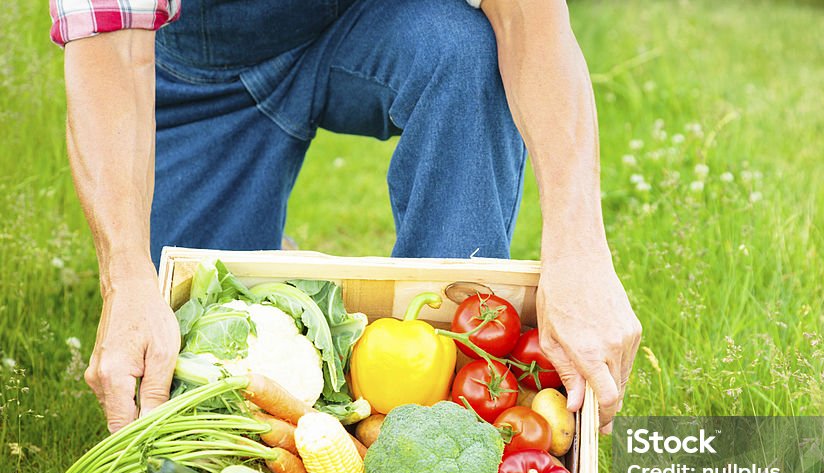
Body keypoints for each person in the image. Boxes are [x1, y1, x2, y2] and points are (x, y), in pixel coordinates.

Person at [52, 0, 641, 435]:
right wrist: (125, 278)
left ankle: (452, 410)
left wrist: (581, 254)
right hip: (200, 77)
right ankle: (269, 247)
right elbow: (110, 52)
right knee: (200, 382)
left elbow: (528, 20)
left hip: (372, 21)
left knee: (467, 55)